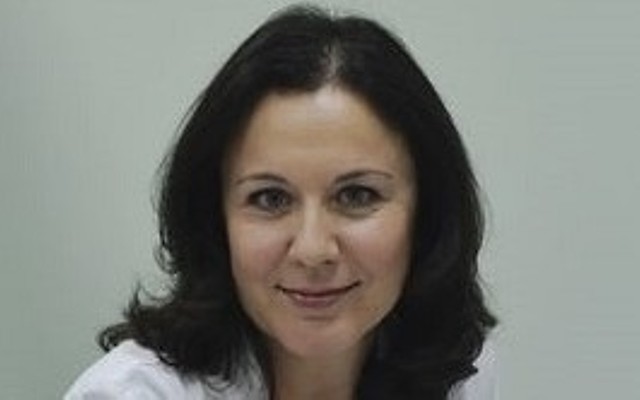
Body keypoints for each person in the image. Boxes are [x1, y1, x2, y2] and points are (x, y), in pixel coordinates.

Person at [65, 5, 497, 400]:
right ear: (216, 222)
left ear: (427, 213)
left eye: (356, 195)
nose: (312, 250)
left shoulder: (459, 376)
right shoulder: (131, 394)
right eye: (270, 198)